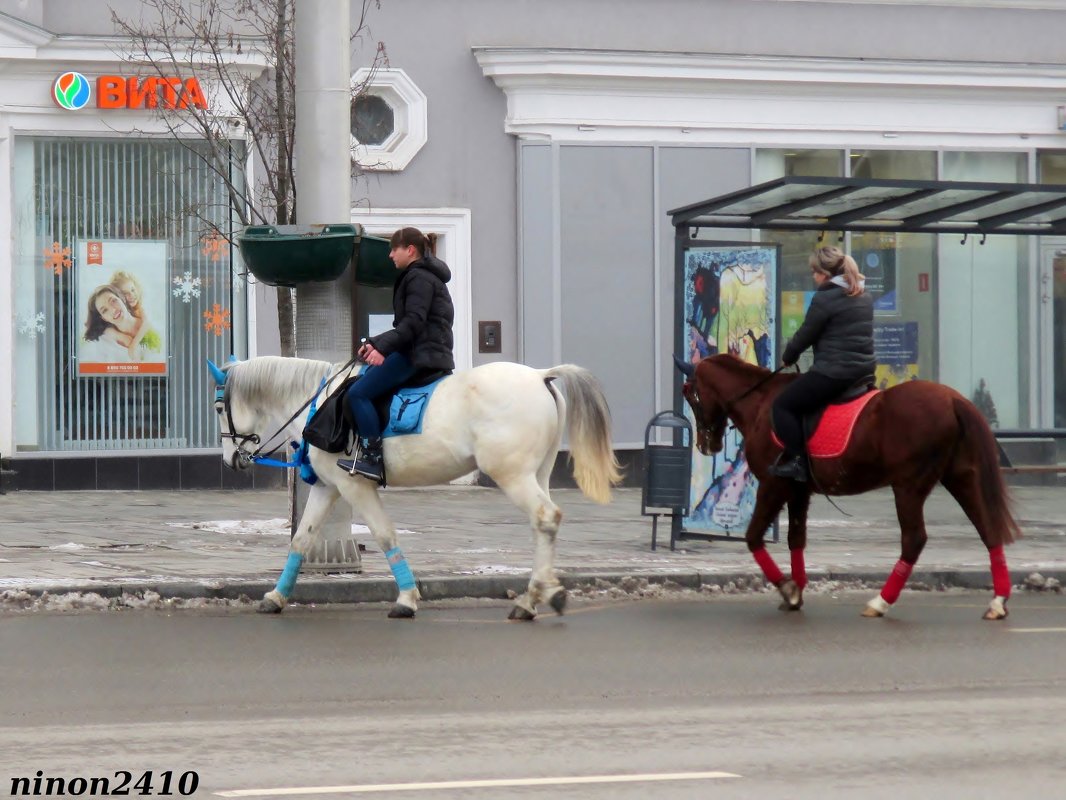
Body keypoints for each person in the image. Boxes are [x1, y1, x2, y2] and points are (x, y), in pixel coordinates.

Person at [337, 227, 455, 483]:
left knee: (358, 393)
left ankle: (371, 458)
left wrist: (384, 350)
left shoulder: (418, 278)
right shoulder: (425, 275)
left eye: (394, 249)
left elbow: (413, 323)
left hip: (418, 355)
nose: (390, 255)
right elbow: (404, 326)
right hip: (427, 350)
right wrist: (374, 343)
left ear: (410, 249)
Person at [768, 246, 876, 482]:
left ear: (825, 274)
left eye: (814, 272)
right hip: (864, 372)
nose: (813, 277)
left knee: (782, 406)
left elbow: (806, 334)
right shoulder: (863, 294)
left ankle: (799, 462)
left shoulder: (825, 298)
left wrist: (789, 356)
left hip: (834, 373)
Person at [82, 285, 148, 362]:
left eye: (113, 301)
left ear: (122, 298)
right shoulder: (105, 342)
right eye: (104, 310)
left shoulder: (150, 324)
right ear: (104, 318)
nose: (113, 310)